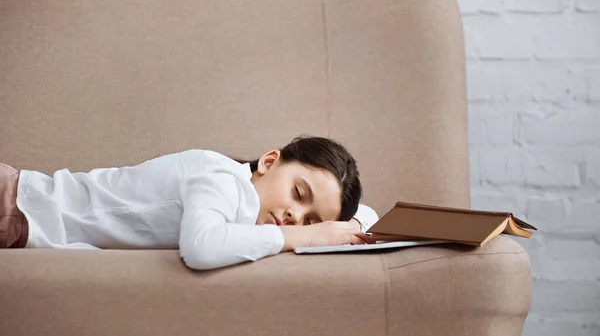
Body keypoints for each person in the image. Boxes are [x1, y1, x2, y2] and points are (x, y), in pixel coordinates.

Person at [0, 136, 378, 270]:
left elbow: (367, 212)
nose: (296, 217)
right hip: (14, 206)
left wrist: (353, 226)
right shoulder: (222, 180)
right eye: (298, 194)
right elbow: (201, 248)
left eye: (310, 221)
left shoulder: (244, 211)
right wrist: (309, 237)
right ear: (268, 161)